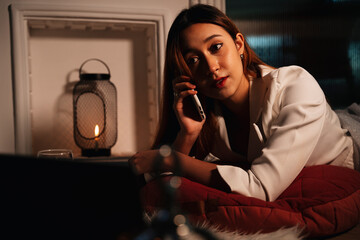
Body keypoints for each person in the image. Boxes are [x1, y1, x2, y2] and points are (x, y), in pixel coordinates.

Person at [129, 4, 359, 201]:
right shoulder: (207, 112)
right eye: (194, 59)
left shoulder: (295, 86)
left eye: (216, 47)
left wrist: (170, 158)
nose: (211, 67)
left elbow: (260, 188)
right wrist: (187, 135)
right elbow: (159, 187)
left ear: (238, 44)